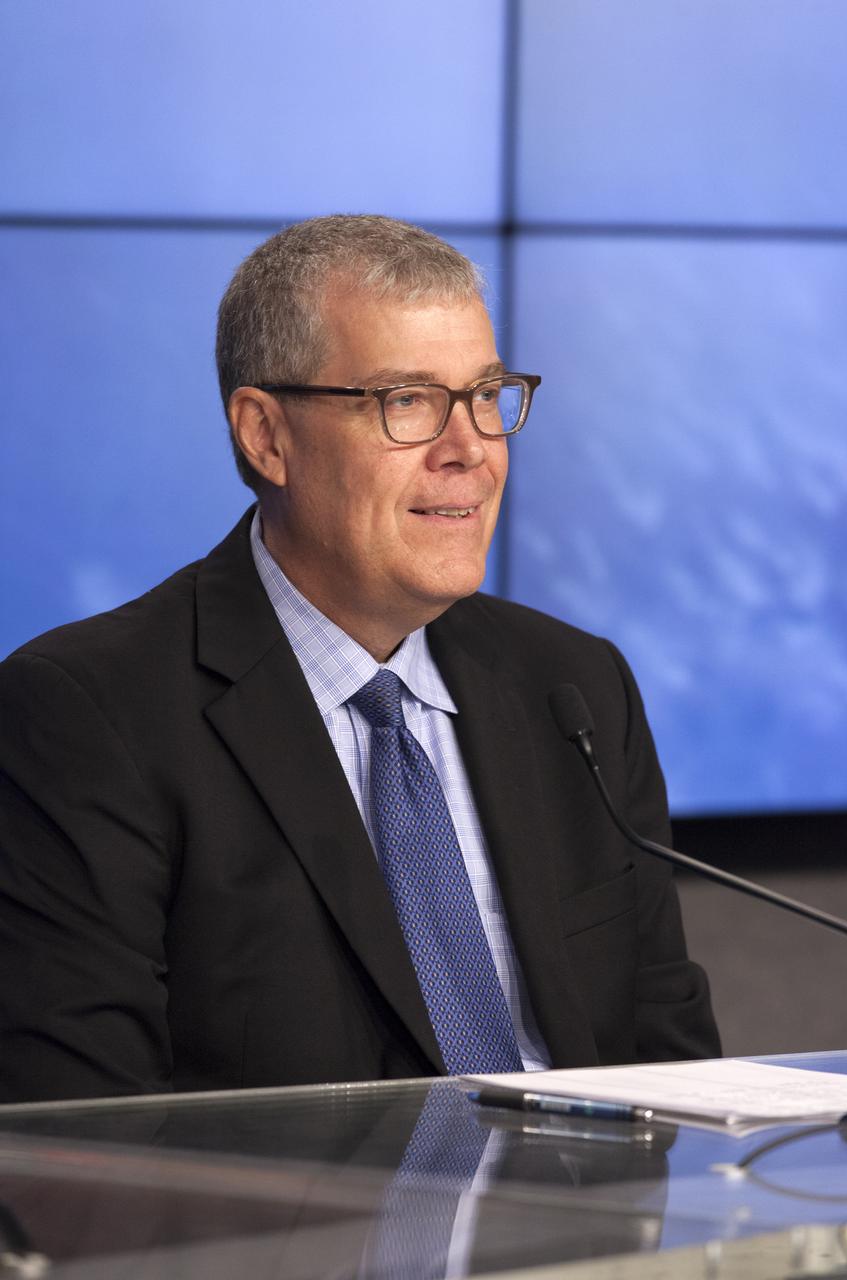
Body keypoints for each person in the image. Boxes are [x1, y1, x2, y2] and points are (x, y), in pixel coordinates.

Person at [0, 215, 719, 1102]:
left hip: (591, 1189)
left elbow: (676, 1068)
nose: (469, 450)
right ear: (266, 436)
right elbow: (84, 1128)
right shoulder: (89, 713)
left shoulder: (574, 686)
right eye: (407, 402)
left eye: (485, 395)